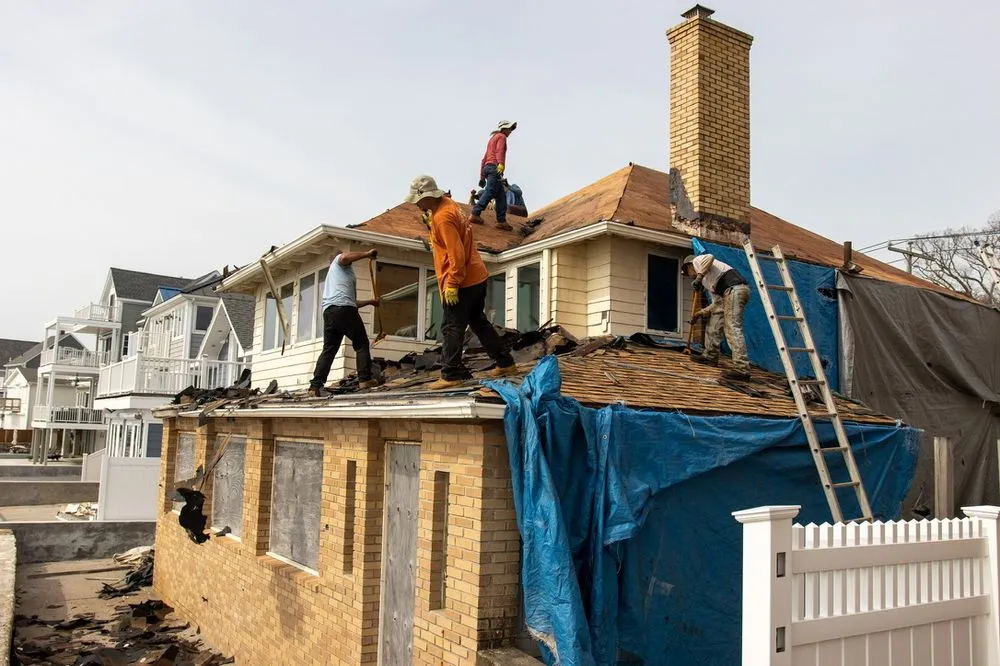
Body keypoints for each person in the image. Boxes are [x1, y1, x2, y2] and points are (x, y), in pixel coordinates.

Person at [406, 174, 518, 389]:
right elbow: (452, 239)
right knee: (478, 321)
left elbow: (456, 253)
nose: (416, 205)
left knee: (452, 327)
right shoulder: (448, 206)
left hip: (462, 279)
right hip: (477, 275)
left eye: (418, 200)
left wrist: (453, 283)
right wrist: (432, 227)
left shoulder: (442, 218)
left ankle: (450, 375)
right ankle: (505, 362)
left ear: (427, 196)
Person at [309, 248, 382, 396]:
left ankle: (315, 387)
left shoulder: (339, 277)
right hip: (343, 310)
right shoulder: (338, 263)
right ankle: (364, 379)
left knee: (329, 350)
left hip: (330, 312)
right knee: (361, 343)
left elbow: (353, 302)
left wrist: (371, 302)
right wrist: (367, 254)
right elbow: (344, 257)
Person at [682, 253, 752, 381]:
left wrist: (698, 277)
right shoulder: (708, 281)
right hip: (727, 294)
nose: (689, 276)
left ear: (689, 266)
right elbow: (717, 304)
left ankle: (742, 368)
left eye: (687, 272)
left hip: (735, 289)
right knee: (714, 321)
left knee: (732, 327)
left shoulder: (698, 261)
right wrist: (699, 313)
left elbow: (710, 257)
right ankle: (710, 356)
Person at [470, 120, 517, 231]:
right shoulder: (501, 137)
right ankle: (475, 213)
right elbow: (499, 151)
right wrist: (500, 163)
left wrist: (482, 176)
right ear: (504, 128)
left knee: (501, 196)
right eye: (509, 129)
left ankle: (501, 221)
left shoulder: (492, 139)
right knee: (490, 191)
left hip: (488, 168)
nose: (510, 131)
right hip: (494, 167)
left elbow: (484, 159)